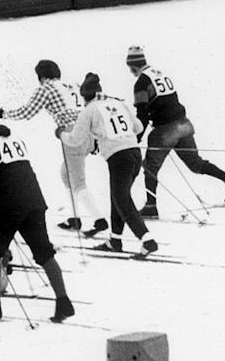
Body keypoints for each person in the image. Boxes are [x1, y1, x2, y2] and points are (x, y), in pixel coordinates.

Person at [0, 110, 76, 322]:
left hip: (10, 203)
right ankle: (64, 302)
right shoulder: (12, 138)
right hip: (34, 200)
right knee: (44, 253)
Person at [127, 46, 225, 215]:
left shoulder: (141, 83)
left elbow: (143, 115)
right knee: (195, 163)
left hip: (166, 130)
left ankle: (151, 207)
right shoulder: (160, 73)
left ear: (132, 65)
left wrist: (135, 139)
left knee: (150, 168)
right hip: (184, 124)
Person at [63, 73, 157, 252]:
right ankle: (115, 240)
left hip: (118, 158)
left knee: (122, 200)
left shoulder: (88, 110)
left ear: (85, 96)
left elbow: (75, 140)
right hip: (135, 153)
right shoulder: (118, 102)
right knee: (118, 197)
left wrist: (61, 134)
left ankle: (147, 239)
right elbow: (138, 127)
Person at [2, 59, 98, 232]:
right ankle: (74, 217)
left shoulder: (46, 88)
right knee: (66, 174)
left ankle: (99, 220)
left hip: (71, 134)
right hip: (88, 131)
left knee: (77, 181)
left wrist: (3, 114)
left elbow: (27, 112)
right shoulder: (72, 85)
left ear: (41, 76)